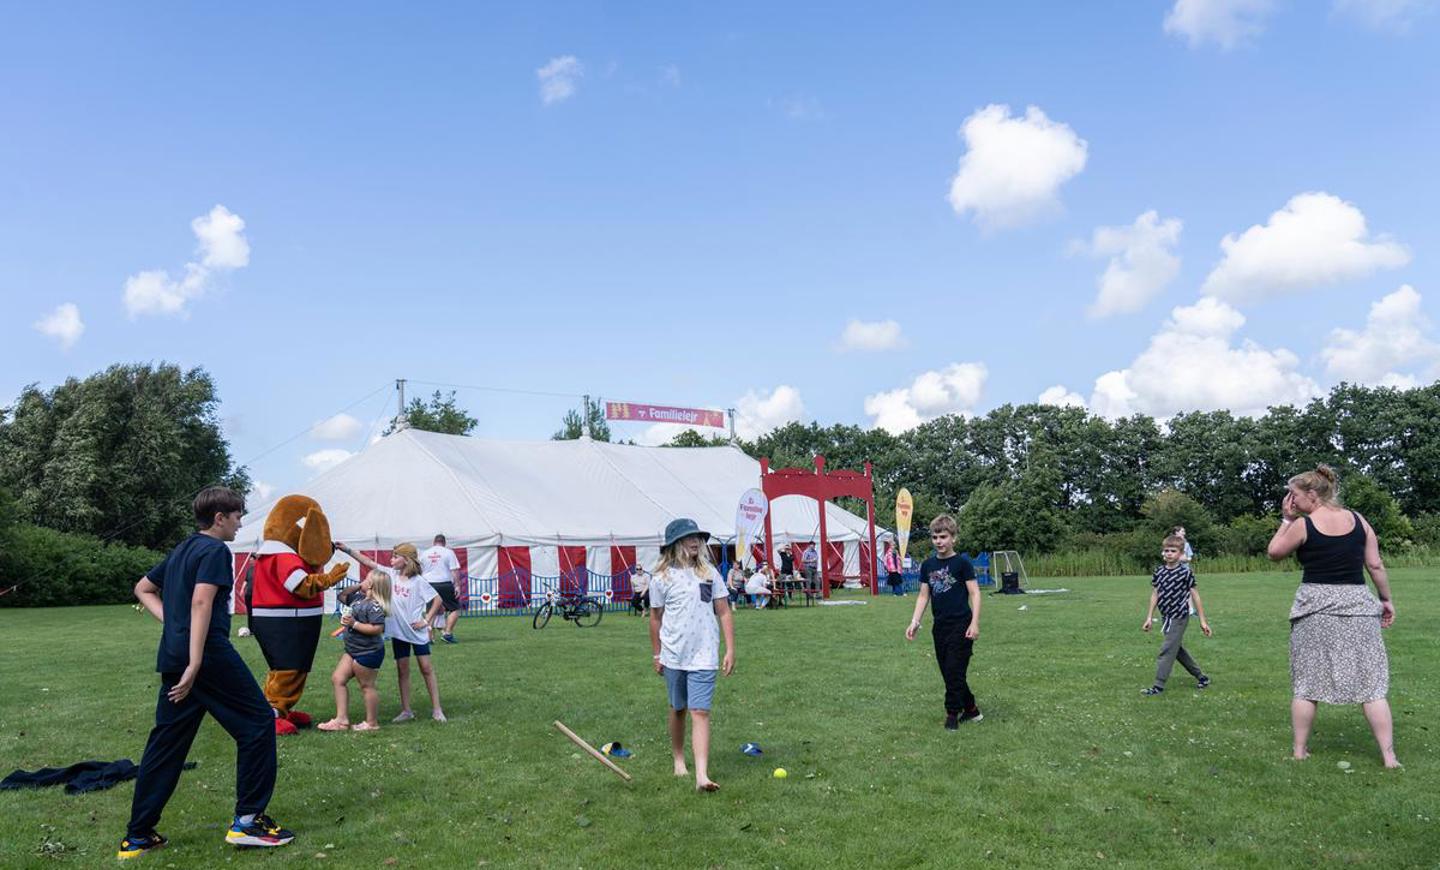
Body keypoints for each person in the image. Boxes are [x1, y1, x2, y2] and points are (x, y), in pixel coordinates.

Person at [119, 487, 294, 859]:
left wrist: (175, 627)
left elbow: (143, 588)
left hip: (174, 654)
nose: (240, 524)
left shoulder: (183, 549)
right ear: (219, 518)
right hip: (207, 656)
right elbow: (201, 600)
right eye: (237, 517)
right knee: (258, 722)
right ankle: (248, 822)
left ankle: (138, 836)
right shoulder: (215, 550)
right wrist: (195, 660)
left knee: (167, 744)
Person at [1267, 465, 1399, 768]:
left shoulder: (1303, 525)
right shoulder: (1359, 520)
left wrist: (1286, 520)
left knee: (1306, 683)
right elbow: (1375, 565)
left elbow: (1274, 552)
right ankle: (1389, 757)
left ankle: (1299, 751)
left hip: (1314, 607)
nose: (1291, 501)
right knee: (1372, 685)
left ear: (1312, 494)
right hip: (1357, 605)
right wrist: (1385, 599)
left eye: (1294, 495)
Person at [649, 518, 736, 792]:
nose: (695, 541)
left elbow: (723, 611)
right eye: (689, 537)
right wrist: (657, 655)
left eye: (697, 537)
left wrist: (730, 649)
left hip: (704, 653)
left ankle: (701, 775)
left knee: (700, 711)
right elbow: (655, 618)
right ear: (676, 544)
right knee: (678, 708)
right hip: (674, 654)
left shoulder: (710, 573)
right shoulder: (661, 578)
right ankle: (678, 759)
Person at [336, 542, 446, 723]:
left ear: (407, 559)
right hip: (399, 634)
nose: (391, 559)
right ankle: (406, 710)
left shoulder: (418, 581)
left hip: (416, 633)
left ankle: (437, 709)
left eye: (395, 556)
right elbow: (367, 562)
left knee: (426, 669)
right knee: (402, 670)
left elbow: (437, 599)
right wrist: (347, 550)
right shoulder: (390, 575)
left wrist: (426, 621)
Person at [904, 514, 982, 730]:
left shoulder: (962, 564)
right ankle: (972, 709)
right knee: (948, 671)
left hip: (962, 624)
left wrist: (974, 623)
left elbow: (975, 593)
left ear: (953, 537)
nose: (938, 541)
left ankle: (952, 714)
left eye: (943, 537)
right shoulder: (927, 565)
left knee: (954, 669)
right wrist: (915, 622)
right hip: (940, 627)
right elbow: (923, 596)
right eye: (935, 537)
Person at [319, 570, 391, 732]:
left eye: (366, 579)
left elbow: (377, 628)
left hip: (368, 652)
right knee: (338, 679)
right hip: (352, 649)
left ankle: (372, 723)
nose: (362, 581)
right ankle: (341, 720)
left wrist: (354, 624)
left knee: (367, 686)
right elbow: (342, 595)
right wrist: (359, 586)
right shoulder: (358, 598)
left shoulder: (374, 606)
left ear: (371, 585)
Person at [1141, 535, 1212, 696]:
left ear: (1180, 554)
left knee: (1167, 650)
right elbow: (1155, 594)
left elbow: (1195, 596)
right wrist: (1149, 617)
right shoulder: (1159, 571)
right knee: (1176, 650)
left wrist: (1202, 621)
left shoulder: (1185, 573)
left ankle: (1158, 686)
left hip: (1180, 617)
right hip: (1166, 617)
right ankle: (1202, 677)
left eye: (1173, 551)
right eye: (1166, 550)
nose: (1169, 553)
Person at [420, 534, 464, 644]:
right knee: (454, 609)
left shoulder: (425, 553)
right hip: (444, 583)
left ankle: (429, 638)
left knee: (431, 611)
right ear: (444, 543)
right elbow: (454, 570)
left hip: (429, 584)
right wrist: (457, 585)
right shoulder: (449, 552)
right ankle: (447, 634)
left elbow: (420, 571)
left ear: (433, 542)